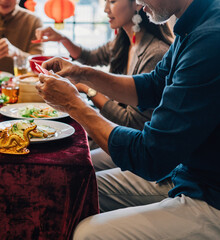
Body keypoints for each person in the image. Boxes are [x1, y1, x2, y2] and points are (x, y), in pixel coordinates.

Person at [36, 0, 220, 238]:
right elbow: (152, 85)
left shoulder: (210, 39)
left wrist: (74, 104)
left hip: (210, 193)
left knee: (88, 233)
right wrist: (82, 72)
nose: (137, 1)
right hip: (186, 171)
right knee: (73, 187)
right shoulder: (195, 22)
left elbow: (151, 155)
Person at [35, 0, 173, 171]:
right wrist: (63, 39)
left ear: (137, 4)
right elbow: (89, 57)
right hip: (122, 136)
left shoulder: (156, 53)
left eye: (113, 1)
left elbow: (131, 123)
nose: (106, 9)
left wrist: (86, 90)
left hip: (136, 145)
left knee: (68, 164)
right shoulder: (123, 40)